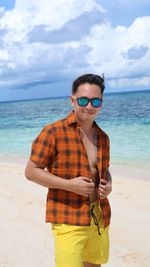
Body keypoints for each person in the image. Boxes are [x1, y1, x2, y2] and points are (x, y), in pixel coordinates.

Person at [25, 73, 112, 267]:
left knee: (94, 264)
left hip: (99, 214)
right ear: (73, 100)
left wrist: (109, 184)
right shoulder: (53, 131)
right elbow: (31, 171)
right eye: (83, 100)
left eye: (95, 101)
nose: (89, 106)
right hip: (68, 217)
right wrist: (70, 185)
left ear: (101, 103)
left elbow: (103, 170)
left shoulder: (103, 137)